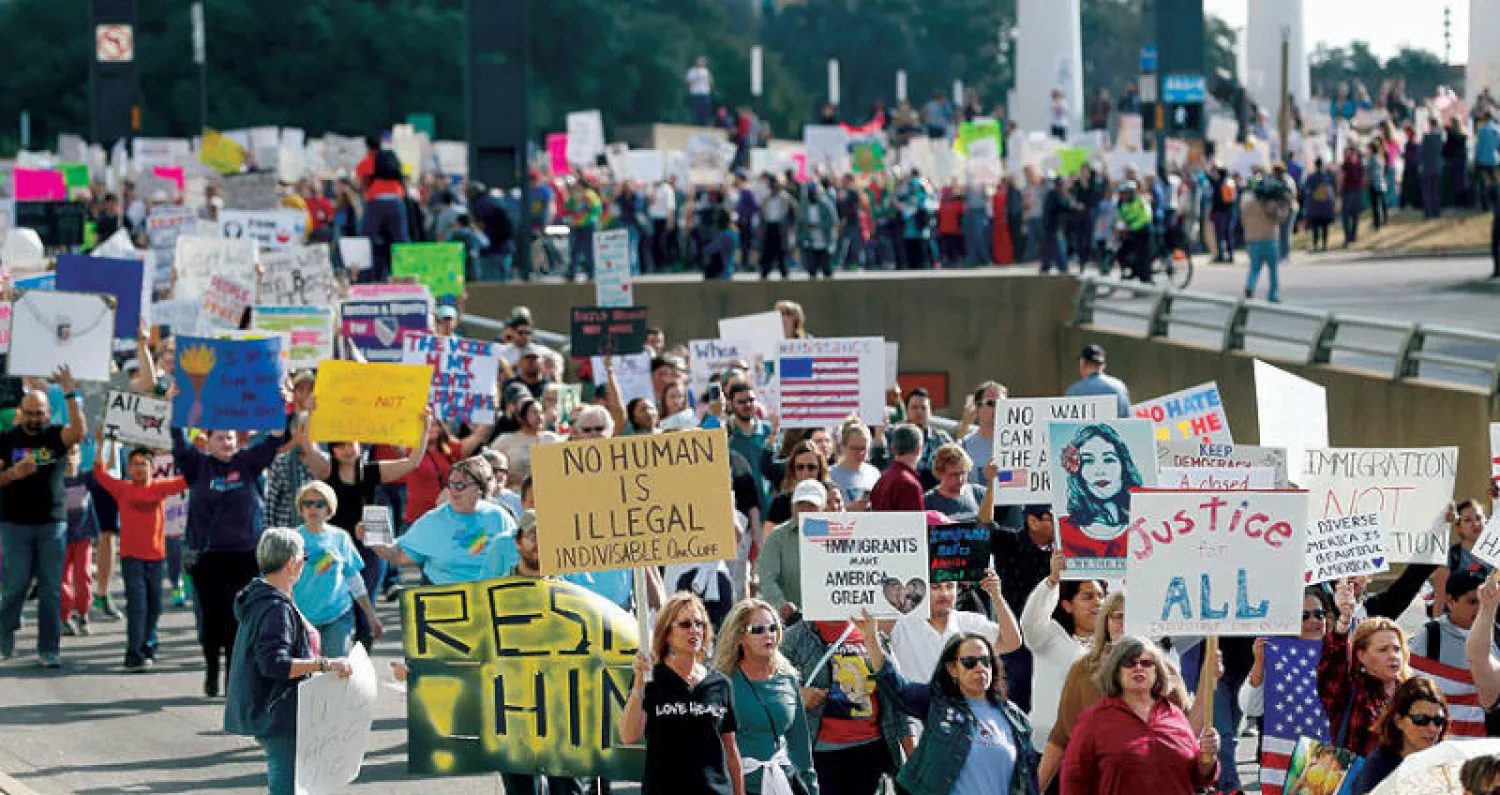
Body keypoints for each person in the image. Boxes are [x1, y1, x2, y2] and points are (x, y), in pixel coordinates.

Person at [171, 398, 291, 697]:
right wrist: (176, 402)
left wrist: (279, 404)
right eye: (220, 438)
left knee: (238, 621)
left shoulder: (247, 463)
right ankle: (211, 669)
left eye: (230, 437)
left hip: (245, 556)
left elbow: (276, 438)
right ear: (207, 441)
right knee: (212, 620)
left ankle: (231, 679)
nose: (226, 442)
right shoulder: (197, 465)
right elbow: (177, 438)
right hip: (208, 558)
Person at [225, 528, 356, 795]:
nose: (304, 563)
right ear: (291, 563)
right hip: (279, 713)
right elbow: (275, 664)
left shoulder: (263, 596)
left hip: (276, 709)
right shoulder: (275, 607)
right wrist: (325, 665)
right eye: (302, 557)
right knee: (287, 788)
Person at [860, 617, 1040, 795]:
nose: (980, 668)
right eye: (970, 663)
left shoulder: (1016, 719)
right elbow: (896, 687)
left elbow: (1030, 781)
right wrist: (871, 639)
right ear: (953, 669)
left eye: (986, 661)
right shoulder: (937, 703)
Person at [0, 368, 86, 666]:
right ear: (20, 413)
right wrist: (12, 473)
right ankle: (4, 635)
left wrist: (69, 393)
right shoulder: (6, 439)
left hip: (52, 523)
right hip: (15, 524)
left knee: (51, 589)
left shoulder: (54, 435)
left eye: (40, 413)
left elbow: (79, 432)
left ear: (48, 412)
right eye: (30, 413)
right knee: (15, 586)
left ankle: (49, 649)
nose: (35, 418)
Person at [620, 592, 745, 795]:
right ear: (667, 633)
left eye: (700, 624)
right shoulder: (651, 679)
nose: (694, 630)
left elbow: (731, 751)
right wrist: (639, 685)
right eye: (685, 624)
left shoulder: (721, 683)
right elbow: (628, 736)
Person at [1060, 636, 1219, 795]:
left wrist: (1208, 756)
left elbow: (1200, 778)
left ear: (1157, 671)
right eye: (1129, 663)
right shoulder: (1093, 720)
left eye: (1146, 663)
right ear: (1115, 672)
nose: (1138, 668)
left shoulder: (1175, 716)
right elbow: (1073, 780)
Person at [782, 609, 911, 795]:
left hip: (871, 752)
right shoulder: (794, 638)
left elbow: (896, 697)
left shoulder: (875, 636)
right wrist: (797, 695)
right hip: (820, 756)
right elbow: (769, 686)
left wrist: (911, 753)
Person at [91, 440, 189, 672]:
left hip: (155, 558)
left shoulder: (159, 489)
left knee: (154, 607)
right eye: (134, 464)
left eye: (143, 464)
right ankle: (133, 653)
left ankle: (148, 647)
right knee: (137, 606)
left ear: (153, 468)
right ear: (128, 467)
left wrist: (194, 447)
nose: (138, 468)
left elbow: (188, 479)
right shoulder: (122, 489)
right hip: (131, 558)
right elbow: (99, 473)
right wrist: (100, 444)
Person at [711, 599, 819, 795]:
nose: (767, 634)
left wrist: (811, 788)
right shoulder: (722, 684)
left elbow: (800, 745)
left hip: (783, 782)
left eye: (772, 628)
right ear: (740, 637)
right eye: (758, 630)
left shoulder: (788, 679)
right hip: (739, 787)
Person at [1022, 548, 1106, 788]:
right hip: (1047, 749)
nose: (1098, 603)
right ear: (1067, 605)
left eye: (1101, 596)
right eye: (1088, 596)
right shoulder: (1050, 637)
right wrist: (1052, 580)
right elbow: (1030, 622)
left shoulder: (1114, 646)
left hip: (1095, 753)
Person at [370, 456, 517, 585]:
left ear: (479, 489)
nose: (453, 491)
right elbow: (398, 555)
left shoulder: (499, 517)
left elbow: (518, 557)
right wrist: (374, 539)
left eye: (460, 485)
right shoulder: (433, 520)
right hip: (442, 600)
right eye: (451, 484)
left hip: (487, 600)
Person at [290, 482, 380, 657]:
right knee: (306, 675)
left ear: (329, 509)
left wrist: (371, 614)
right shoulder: (292, 540)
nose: (313, 509)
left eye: (319, 504)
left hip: (337, 615)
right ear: (300, 509)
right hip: (302, 618)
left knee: (335, 672)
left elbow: (354, 579)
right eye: (307, 504)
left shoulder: (341, 538)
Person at [891, 574, 1020, 686]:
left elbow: (1011, 642)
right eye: (935, 587)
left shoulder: (971, 622)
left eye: (950, 586)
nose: (944, 594)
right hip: (915, 710)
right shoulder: (901, 623)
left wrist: (997, 596)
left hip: (962, 710)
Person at [1319, 601, 1410, 755]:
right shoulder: (1350, 690)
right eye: (1383, 650)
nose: (1393, 656)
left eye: (1397, 649)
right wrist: (1344, 622)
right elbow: (1332, 667)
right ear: (1361, 655)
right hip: (1359, 777)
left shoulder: (1413, 693)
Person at [1054, 424, 1145, 566]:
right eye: (1088, 461)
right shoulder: (1062, 531)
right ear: (1077, 471)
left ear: (1124, 467)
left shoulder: (1146, 530)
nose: (1099, 470)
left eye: (1109, 459)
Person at [1347, 676, 1450, 795]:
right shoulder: (1377, 768)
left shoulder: (1447, 765)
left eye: (1439, 720)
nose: (1432, 728)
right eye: (1421, 719)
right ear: (1398, 721)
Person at [759, 479, 828, 620]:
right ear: (792, 506)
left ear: (823, 508)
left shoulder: (838, 535)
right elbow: (767, 579)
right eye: (800, 504)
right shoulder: (777, 537)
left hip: (828, 617)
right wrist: (782, 605)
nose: (805, 509)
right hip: (790, 621)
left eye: (812, 505)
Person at [1243, 170, 1296, 303]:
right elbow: (1280, 218)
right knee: (1273, 270)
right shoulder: (1269, 202)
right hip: (1269, 238)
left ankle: (1250, 287)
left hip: (1252, 239)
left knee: (1254, 268)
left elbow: (1242, 219)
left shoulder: (1245, 200)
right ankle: (1272, 295)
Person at [1062, 346, 1129, 418]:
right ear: (1103, 365)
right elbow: (1127, 418)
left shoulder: (1073, 391)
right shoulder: (1120, 386)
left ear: (1083, 364)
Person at [870, 424, 924, 512]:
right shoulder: (910, 485)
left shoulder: (882, 480)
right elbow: (915, 524)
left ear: (893, 448)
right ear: (918, 449)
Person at [829, 420, 880, 511]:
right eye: (854, 448)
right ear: (843, 447)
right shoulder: (830, 474)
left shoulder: (874, 473)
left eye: (863, 448)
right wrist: (849, 509)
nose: (860, 453)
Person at [1304, 158, 1337, 252]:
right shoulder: (1328, 176)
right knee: (1325, 227)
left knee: (1315, 228)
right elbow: (1332, 190)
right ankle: (1324, 245)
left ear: (1315, 165)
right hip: (1326, 206)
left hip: (1315, 206)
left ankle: (1315, 246)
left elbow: (1307, 189)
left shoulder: (1311, 176)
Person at [687, 57, 714, 127]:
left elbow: (710, 81)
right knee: (696, 110)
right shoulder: (692, 71)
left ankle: (705, 124)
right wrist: (690, 90)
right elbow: (689, 82)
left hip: (705, 93)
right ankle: (696, 124)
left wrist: (710, 90)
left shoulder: (706, 71)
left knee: (705, 110)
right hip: (696, 93)